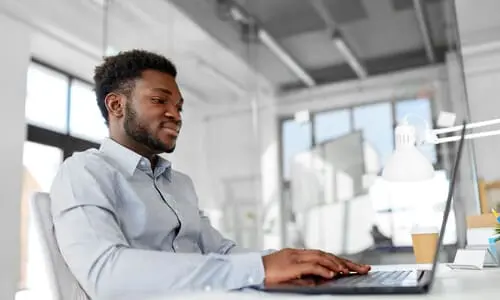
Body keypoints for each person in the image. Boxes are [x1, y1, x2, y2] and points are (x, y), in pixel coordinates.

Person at [50, 49, 370, 300]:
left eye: (179, 106)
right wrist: (258, 269)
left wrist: (296, 260)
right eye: (160, 100)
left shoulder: (179, 185)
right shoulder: (84, 172)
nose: (175, 114)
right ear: (116, 106)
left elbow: (221, 252)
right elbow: (107, 276)